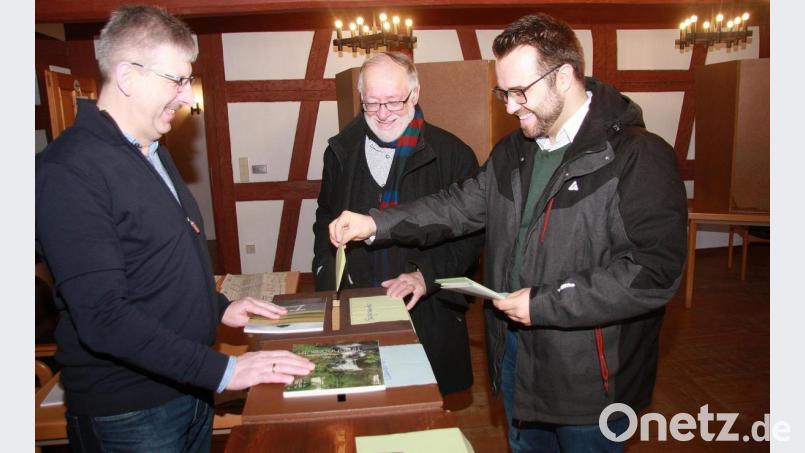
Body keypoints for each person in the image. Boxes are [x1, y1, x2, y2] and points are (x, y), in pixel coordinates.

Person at [328, 13, 688, 452]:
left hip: (590, 380)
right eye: (504, 93)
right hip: (515, 357)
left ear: (564, 77)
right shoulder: (513, 151)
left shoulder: (638, 157)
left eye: (520, 91)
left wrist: (543, 303)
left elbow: (654, 272)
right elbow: (456, 206)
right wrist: (374, 223)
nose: (510, 107)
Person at [35, 6, 314, 451]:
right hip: (130, 411)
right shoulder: (70, 170)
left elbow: (159, 262)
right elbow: (103, 317)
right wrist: (225, 370)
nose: (187, 97)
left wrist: (218, 307)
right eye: (177, 80)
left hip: (185, 385)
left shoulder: (152, 151)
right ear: (128, 77)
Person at [312, 51, 483, 395]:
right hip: (356, 302)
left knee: (420, 404)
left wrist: (425, 275)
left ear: (414, 94)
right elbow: (324, 216)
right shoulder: (340, 152)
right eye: (372, 103)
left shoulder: (453, 154)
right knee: (362, 400)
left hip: (425, 310)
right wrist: (325, 272)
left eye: (393, 101)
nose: (383, 113)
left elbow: (472, 237)